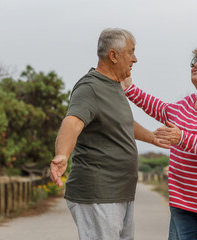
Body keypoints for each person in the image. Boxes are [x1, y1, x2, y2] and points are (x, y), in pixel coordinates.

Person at [50, 28, 166, 240]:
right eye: (130, 52)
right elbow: (73, 122)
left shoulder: (113, 86)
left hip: (119, 191)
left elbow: (122, 122)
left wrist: (152, 137)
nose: (135, 59)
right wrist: (62, 154)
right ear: (113, 55)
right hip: (99, 192)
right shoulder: (90, 87)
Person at [121, 43, 197, 240]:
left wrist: (182, 138)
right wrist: (129, 87)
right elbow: (158, 108)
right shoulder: (185, 105)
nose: (196, 64)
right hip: (183, 203)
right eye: (195, 61)